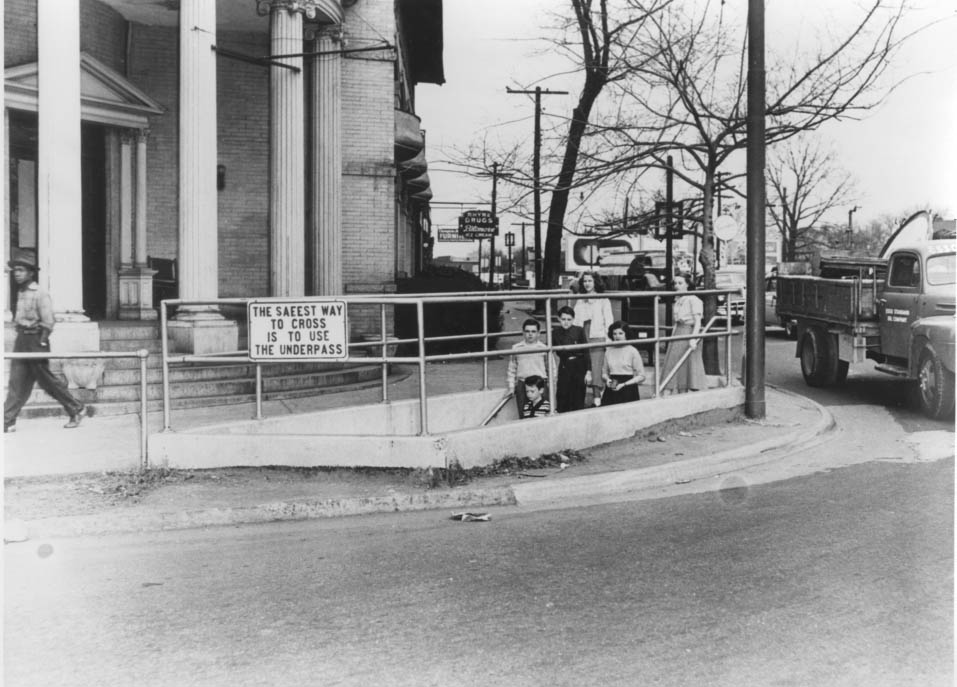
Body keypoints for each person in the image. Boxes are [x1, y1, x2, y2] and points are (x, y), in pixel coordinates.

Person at [4, 250, 89, 432]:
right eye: (15, 270)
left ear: (31, 273)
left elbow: (48, 322)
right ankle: (7, 420)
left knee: (47, 381)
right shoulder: (20, 291)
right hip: (22, 340)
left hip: (36, 339)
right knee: (17, 380)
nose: (17, 273)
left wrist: (41, 343)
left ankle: (76, 408)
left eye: (21, 270)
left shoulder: (40, 293)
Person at [660, 273, 707, 395]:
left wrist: (693, 338)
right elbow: (676, 321)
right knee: (672, 363)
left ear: (688, 284)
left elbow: (697, 322)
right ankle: (669, 392)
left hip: (688, 332)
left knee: (685, 365)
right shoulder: (679, 300)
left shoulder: (694, 300)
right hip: (678, 333)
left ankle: (683, 392)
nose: (677, 286)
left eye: (680, 283)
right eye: (675, 283)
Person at [573, 271, 614, 406]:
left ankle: (597, 396)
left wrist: (609, 337)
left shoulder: (603, 299)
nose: (587, 284)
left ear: (595, 282)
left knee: (597, 366)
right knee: (584, 364)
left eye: (590, 281)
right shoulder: (580, 300)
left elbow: (609, 320)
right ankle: (580, 396)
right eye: (585, 281)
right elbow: (576, 319)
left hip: (597, 334)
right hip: (583, 334)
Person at [505, 318, 549, 416]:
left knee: (542, 414)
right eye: (527, 331)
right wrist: (511, 386)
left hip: (539, 384)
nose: (530, 334)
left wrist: (551, 385)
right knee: (523, 413)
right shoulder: (516, 348)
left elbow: (550, 367)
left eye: (533, 331)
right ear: (523, 332)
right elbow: (512, 368)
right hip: (523, 385)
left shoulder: (544, 348)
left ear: (538, 333)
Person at [552, 305, 588, 412]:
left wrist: (589, 371)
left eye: (569, 319)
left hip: (579, 366)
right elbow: (549, 349)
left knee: (578, 396)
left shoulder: (579, 330)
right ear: (559, 319)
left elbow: (586, 351)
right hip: (564, 365)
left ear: (573, 319)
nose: (566, 322)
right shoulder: (555, 333)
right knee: (563, 395)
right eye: (563, 319)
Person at [601, 321, 645, 405]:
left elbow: (642, 376)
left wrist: (624, 384)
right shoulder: (609, 351)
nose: (617, 336)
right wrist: (607, 380)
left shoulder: (633, 351)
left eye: (620, 333)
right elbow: (604, 373)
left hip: (628, 388)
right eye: (614, 334)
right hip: (612, 385)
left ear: (626, 334)